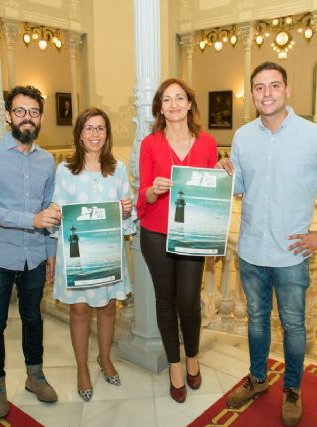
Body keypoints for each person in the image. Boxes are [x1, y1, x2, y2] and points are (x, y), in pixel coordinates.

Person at [217, 62, 317, 426]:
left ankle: (293, 389)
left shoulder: (313, 137)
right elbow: (239, 190)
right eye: (259, 87)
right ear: (252, 94)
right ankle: (256, 379)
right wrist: (227, 175)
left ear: (287, 90)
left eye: (274, 86)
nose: (266, 94)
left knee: (294, 326)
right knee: (256, 321)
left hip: (290, 254)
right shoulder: (243, 137)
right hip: (251, 251)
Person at [0, 85, 61, 419]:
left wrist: (51, 252)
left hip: (35, 255)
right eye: (21, 111)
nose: (28, 118)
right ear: (8, 115)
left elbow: (51, 211)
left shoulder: (47, 160)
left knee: (33, 318)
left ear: (40, 118)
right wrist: (31, 219)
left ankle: (34, 375)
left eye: (34, 112)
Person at [137, 78, 218, 403]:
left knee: (188, 300)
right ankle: (174, 365)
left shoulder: (208, 143)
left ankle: (192, 357)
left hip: (193, 234)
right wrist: (154, 190)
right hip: (156, 233)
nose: (173, 104)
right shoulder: (150, 144)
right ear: (160, 107)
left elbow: (213, 192)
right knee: (165, 300)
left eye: (179, 98)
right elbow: (143, 192)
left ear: (189, 104)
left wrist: (223, 173)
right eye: (166, 99)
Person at [50, 107, 134, 402]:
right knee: (80, 310)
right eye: (89, 128)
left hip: (108, 252)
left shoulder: (118, 169)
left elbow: (128, 211)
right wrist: (56, 215)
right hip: (77, 255)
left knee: (109, 307)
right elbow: (57, 213)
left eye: (100, 128)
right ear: (79, 133)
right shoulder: (64, 170)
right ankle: (82, 368)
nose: (95, 134)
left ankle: (105, 358)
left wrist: (127, 209)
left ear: (107, 134)